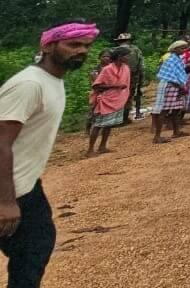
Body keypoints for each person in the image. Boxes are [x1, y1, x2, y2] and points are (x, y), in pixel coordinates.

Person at [0, 20, 94, 286]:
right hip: (9, 191)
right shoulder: (30, 84)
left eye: (86, 46)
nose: (81, 51)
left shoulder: (53, 79)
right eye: (73, 44)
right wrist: (6, 202)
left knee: (35, 248)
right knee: (32, 253)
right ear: (48, 45)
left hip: (26, 186)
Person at [87, 47, 131, 156]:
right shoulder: (107, 69)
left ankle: (102, 146)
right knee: (98, 125)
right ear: (120, 57)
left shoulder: (126, 68)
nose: (128, 57)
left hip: (118, 99)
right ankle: (90, 150)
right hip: (106, 100)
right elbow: (97, 86)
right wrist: (115, 86)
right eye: (126, 55)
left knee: (109, 125)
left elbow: (126, 84)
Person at [152, 41, 190, 143]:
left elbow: (178, 74)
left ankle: (176, 131)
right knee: (164, 110)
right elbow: (170, 76)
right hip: (169, 85)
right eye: (181, 48)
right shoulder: (170, 59)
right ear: (175, 49)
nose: (184, 50)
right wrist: (181, 86)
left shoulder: (178, 59)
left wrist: (181, 86)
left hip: (176, 86)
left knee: (176, 110)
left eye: (185, 48)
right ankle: (157, 136)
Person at [114, 33, 146, 122]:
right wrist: (141, 79)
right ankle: (124, 118)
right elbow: (141, 66)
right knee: (128, 96)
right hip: (132, 77)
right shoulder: (136, 50)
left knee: (116, 96)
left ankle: (115, 118)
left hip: (116, 78)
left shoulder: (113, 50)